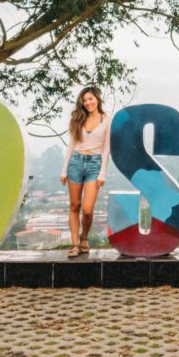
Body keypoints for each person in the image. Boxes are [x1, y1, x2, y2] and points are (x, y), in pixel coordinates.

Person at [59, 86, 111, 257]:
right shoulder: (78, 118)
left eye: (91, 99)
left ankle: (84, 238)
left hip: (94, 165)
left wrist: (102, 172)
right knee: (75, 205)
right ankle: (74, 244)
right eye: (85, 100)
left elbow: (106, 148)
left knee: (88, 209)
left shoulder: (107, 120)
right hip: (75, 162)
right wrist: (64, 170)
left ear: (97, 99)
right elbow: (71, 145)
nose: (88, 102)